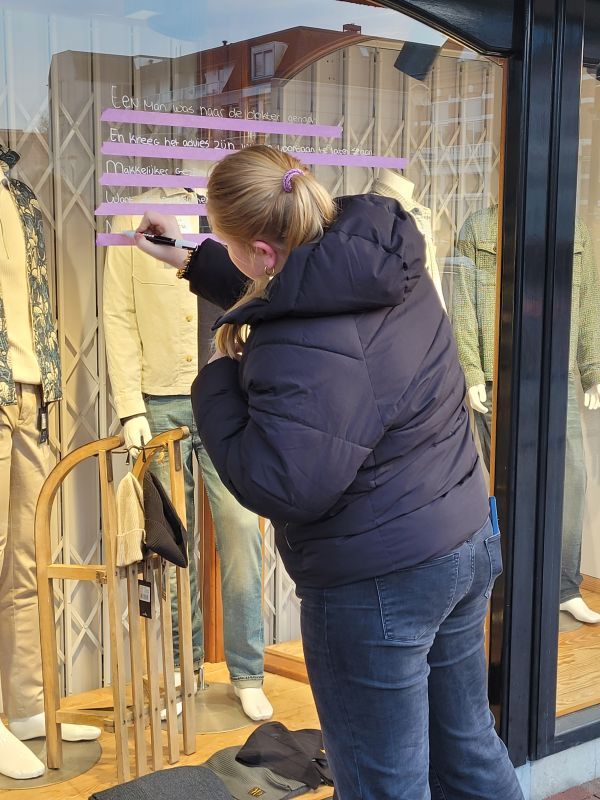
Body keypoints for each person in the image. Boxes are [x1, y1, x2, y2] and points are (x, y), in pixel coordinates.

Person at [132, 144, 524, 800]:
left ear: (262, 251)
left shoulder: (296, 347)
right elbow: (305, 295)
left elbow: (279, 484)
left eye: (229, 244)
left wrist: (217, 381)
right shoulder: (382, 252)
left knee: (383, 783)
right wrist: (194, 258)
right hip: (461, 537)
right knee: (469, 748)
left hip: (378, 582)